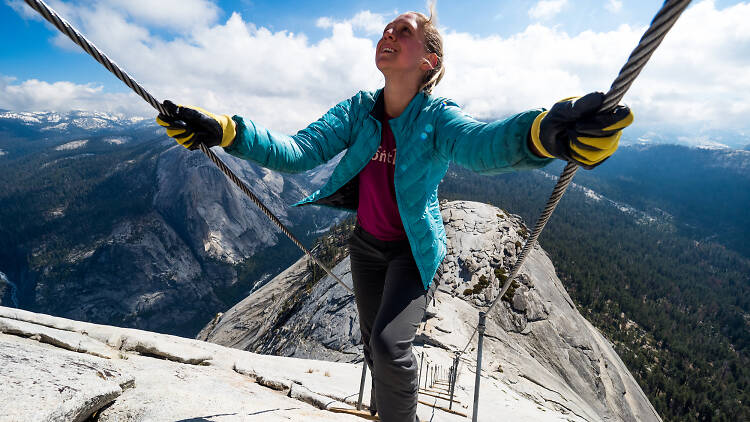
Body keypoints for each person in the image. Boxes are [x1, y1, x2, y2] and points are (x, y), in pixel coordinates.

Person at [157, 7, 633, 422]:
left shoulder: (437, 117)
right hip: (365, 247)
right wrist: (227, 131)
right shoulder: (358, 110)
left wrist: (542, 134)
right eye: (386, 29)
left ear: (430, 62)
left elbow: (481, 145)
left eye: (402, 31)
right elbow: (299, 151)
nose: (387, 35)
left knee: (388, 346)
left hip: (411, 251)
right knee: (371, 346)